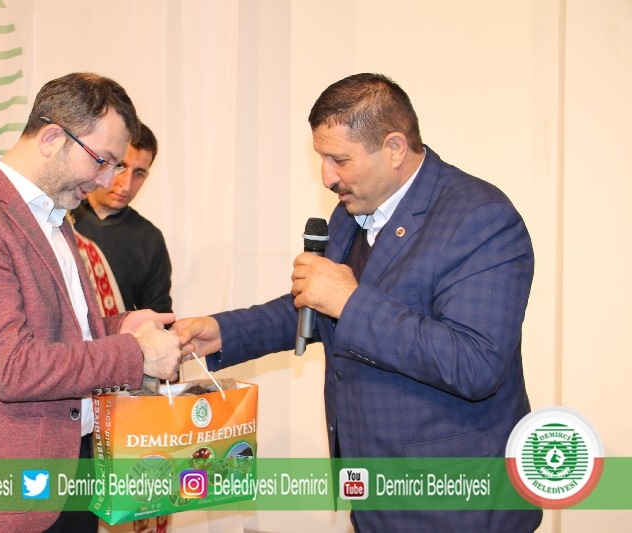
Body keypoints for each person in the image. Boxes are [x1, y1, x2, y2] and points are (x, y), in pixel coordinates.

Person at [172, 73, 542, 532]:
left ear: (394, 148)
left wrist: (350, 301)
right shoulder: (355, 210)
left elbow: (474, 364)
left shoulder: (480, 217)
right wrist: (223, 332)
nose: (327, 177)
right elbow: (319, 305)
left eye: (339, 160)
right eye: (321, 158)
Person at [0, 73, 182, 533]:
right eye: (102, 161)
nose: (106, 180)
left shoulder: (53, 216)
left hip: (68, 474)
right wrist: (134, 353)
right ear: (53, 137)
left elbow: (59, 334)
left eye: (116, 166)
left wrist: (117, 327)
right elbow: (12, 367)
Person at [71, 123, 173, 313]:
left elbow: (158, 318)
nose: (126, 185)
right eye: (120, 166)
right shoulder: (59, 216)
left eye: (138, 173)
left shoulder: (149, 239)